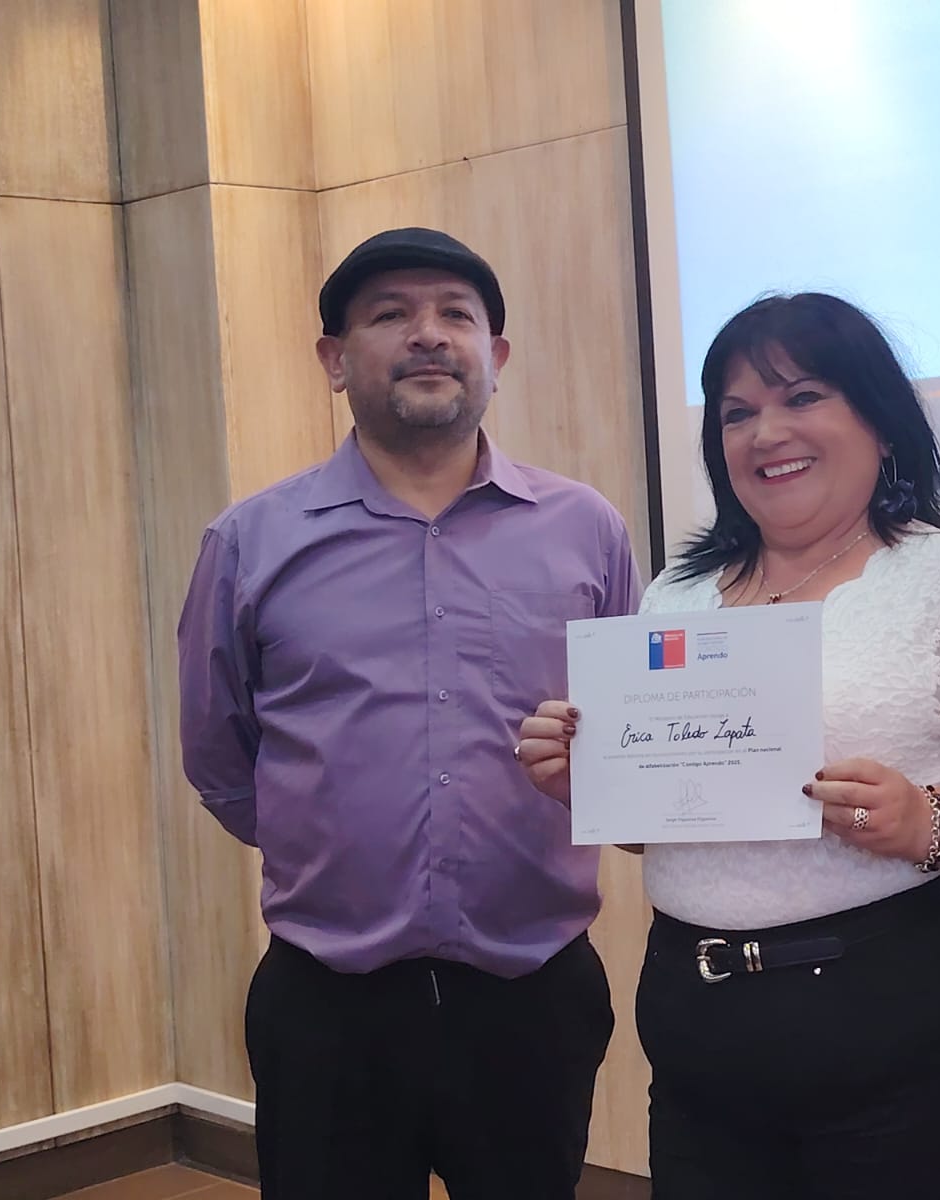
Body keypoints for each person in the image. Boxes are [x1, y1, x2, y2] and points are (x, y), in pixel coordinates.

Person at [517, 293, 940, 1198]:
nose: (766, 433)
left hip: (899, 1033)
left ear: (879, 421)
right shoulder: (676, 596)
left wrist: (928, 821)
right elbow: (662, 833)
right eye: (737, 412)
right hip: (697, 1031)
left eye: (802, 397)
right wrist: (587, 781)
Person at [178, 227, 640, 1200]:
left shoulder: (586, 530)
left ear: (496, 356)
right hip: (327, 1005)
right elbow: (220, 754)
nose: (428, 334)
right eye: (390, 314)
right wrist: (328, 838)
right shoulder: (252, 541)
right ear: (334, 360)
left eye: (455, 315)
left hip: (533, 994)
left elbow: (625, 735)